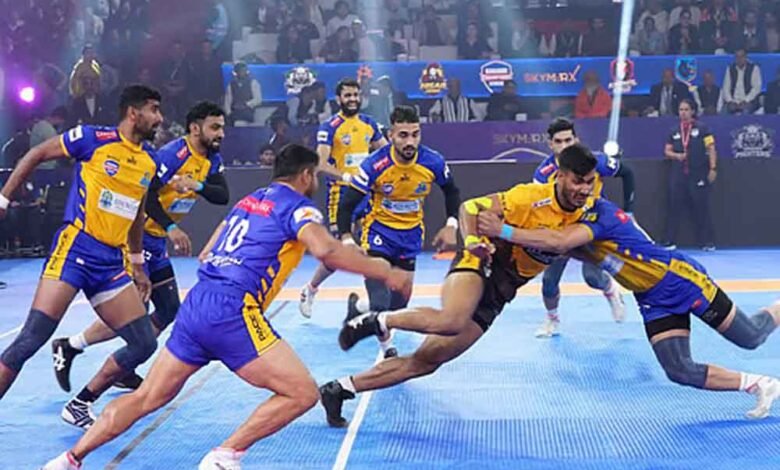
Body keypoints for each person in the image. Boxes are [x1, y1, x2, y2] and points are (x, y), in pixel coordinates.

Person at [42, 144, 411, 470]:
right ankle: (225, 455)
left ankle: (69, 460)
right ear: (306, 175)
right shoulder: (299, 207)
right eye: (313, 176)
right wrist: (385, 272)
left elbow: (207, 253)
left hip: (198, 303)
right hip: (233, 310)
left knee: (146, 398)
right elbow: (327, 250)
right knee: (302, 393)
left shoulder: (249, 201)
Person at [320, 143, 598, 428]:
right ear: (560, 176)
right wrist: (473, 241)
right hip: (482, 261)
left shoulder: (588, 215)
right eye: (578, 181)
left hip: (503, 290)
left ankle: (340, 388)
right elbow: (470, 207)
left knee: (427, 361)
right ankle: (378, 320)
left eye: (590, 182)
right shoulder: (529, 197)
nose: (584, 190)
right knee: (451, 321)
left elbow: (571, 246)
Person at [476, 196, 780, 420]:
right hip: (650, 297)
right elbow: (549, 244)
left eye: (586, 181)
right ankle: (759, 384)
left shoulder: (600, 213)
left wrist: (503, 230)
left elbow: (558, 241)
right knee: (679, 370)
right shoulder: (562, 218)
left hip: (678, 280)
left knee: (751, 337)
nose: (581, 189)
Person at [51, 101, 230, 429]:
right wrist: (171, 226)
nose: (221, 133)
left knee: (168, 310)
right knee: (138, 321)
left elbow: (222, 195)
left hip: (156, 243)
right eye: (215, 127)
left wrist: (197, 185)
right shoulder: (172, 155)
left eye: (222, 127)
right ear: (195, 128)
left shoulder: (212, 159)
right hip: (139, 241)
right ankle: (84, 388)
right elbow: (144, 198)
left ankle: (76, 347)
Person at [0, 85, 164, 401]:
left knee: (144, 343)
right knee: (31, 339)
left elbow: (136, 212)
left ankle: (81, 403)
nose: (160, 118)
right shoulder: (92, 139)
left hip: (110, 263)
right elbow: (36, 154)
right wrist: (4, 199)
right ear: (134, 113)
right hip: (75, 251)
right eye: (154, 109)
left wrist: (138, 264)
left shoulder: (148, 161)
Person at [337, 105, 460, 358]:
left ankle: (358, 308)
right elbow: (347, 204)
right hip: (377, 234)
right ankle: (387, 350)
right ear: (390, 135)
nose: (410, 142)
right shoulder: (374, 165)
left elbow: (451, 191)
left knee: (399, 304)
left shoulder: (433, 161)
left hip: (410, 236)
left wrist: (451, 225)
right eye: (403, 135)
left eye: (415, 134)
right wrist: (347, 239)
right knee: (381, 303)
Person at [532, 118, 635, 337]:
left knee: (592, 278)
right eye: (558, 141)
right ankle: (552, 319)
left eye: (568, 140)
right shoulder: (543, 173)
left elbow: (627, 173)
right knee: (549, 282)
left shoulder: (594, 161)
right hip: (562, 229)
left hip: (591, 226)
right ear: (550, 144)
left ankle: (611, 290)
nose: (564, 146)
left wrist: (629, 211)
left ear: (576, 140)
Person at [299, 78, 388, 318]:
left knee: (370, 246)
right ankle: (310, 288)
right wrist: (347, 176)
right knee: (340, 251)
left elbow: (386, 153)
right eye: (347, 95)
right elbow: (320, 164)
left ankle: (375, 303)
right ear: (339, 99)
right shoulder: (330, 126)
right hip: (341, 193)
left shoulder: (369, 124)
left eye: (355, 95)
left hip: (367, 194)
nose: (352, 99)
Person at [661, 98, 716, 251]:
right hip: (678, 174)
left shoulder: (703, 128)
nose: (683, 113)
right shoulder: (674, 130)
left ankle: (706, 242)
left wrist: (713, 168)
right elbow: (667, 151)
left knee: (701, 207)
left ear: (692, 111)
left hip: (697, 173)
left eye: (686, 110)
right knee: (674, 207)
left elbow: (711, 148)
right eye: (681, 110)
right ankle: (669, 241)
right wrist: (677, 156)